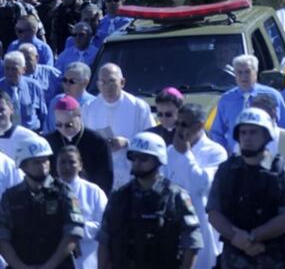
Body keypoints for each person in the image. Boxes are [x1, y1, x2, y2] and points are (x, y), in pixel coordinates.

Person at [207, 108, 285, 269]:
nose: (247, 138)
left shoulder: (283, 170)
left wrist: (253, 237)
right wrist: (237, 238)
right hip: (233, 258)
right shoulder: (226, 170)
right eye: (243, 133)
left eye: (253, 132)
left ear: (266, 136)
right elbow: (214, 213)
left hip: (273, 257)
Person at [96, 132, 203, 269]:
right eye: (133, 157)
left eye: (143, 158)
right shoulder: (119, 196)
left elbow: (192, 241)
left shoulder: (176, 196)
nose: (137, 163)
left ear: (159, 160)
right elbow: (104, 239)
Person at [0, 134, 83, 269]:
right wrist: (20, 267)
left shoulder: (64, 192)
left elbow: (74, 233)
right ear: (23, 166)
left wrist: (48, 266)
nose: (43, 166)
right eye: (37, 162)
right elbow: (2, 237)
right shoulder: (10, 197)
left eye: (45, 160)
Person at [164, 103, 228, 269]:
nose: (179, 129)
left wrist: (185, 155)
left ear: (199, 125)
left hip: (203, 228)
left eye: (184, 124)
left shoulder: (216, 152)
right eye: (177, 123)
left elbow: (203, 186)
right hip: (173, 226)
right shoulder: (169, 151)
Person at [80, 63, 154, 190]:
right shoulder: (89, 108)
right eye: (103, 82)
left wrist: (126, 142)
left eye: (111, 81)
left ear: (122, 82)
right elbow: (84, 141)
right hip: (100, 173)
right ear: (98, 85)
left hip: (131, 173)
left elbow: (150, 140)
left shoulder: (138, 107)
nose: (107, 87)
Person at [208, 55, 285, 154]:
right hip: (237, 157)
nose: (243, 76)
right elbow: (216, 132)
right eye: (239, 72)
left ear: (256, 72)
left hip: (269, 155)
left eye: (247, 72)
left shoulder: (272, 95)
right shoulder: (226, 100)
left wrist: (284, 155)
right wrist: (225, 153)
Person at [45, 95, 114, 194]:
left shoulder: (97, 141)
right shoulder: (48, 142)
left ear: (79, 117)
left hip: (89, 195)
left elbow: (105, 178)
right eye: (59, 125)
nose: (63, 129)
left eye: (69, 125)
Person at [55, 145, 106, 269]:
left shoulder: (93, 191)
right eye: (62, 162)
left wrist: (75, 230)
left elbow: (105, 225)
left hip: (87, 256)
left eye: (72, 162)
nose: (67, 167)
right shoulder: (48, 191)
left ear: (80, 165)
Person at [0, 50, 47, 131]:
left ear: (24, 69)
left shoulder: (34, 86)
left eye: (14, 69)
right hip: (5, 135)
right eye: (7, 68)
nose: (10, 72)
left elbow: (43, 115)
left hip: (31, 134)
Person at [47, 61, 95, 132]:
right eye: (64, 80)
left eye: (72, 81)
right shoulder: (55, 101)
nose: (67, 84)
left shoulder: (93, 105)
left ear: (85, 82)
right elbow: (48, 130)